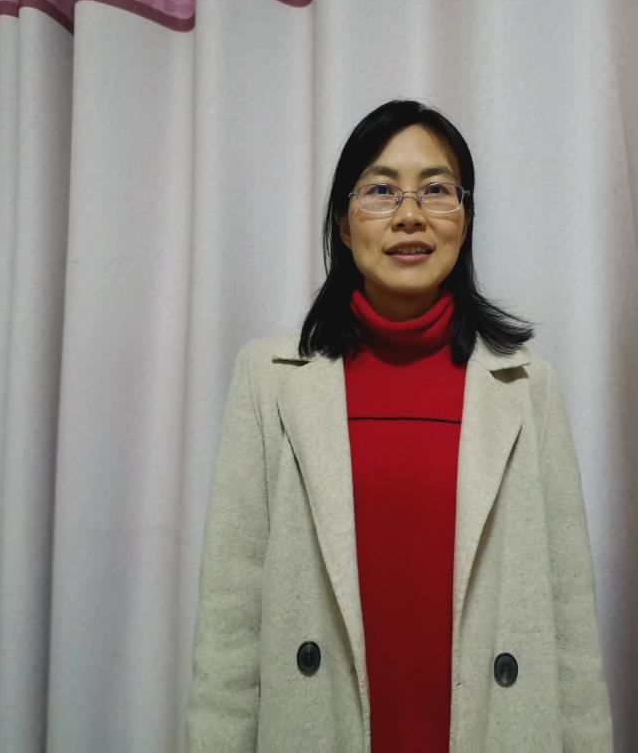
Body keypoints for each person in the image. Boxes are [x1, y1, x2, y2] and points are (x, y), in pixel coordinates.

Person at [187, 99, 613, 751]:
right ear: (343, 222)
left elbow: (571, 629)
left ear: (465, 220)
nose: (410, 214)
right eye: (382, 190)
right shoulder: (269, 380)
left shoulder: (528, 387)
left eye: (436, 190)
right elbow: (230, 627)